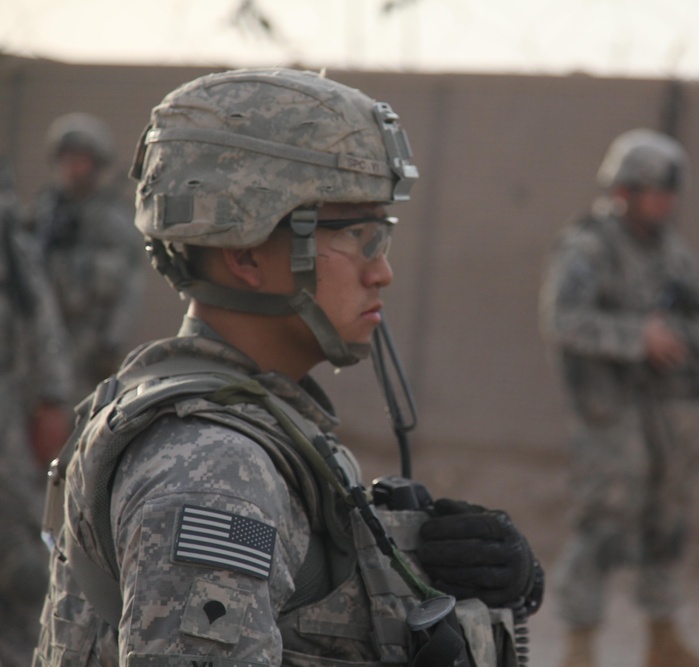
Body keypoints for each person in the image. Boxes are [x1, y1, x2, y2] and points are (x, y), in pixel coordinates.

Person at [33, 68, 542, 667]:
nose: (382, 272)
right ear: (247, 254)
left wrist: (473, 572)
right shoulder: (213, 468)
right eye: (360, 235)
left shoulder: (254, 425)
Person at [539, 129, 699, 667]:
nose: (666, 203)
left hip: (668, 413)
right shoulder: (588, 248)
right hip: (609, 415)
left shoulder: (675, 257)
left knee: (668, 520)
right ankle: (579, 650)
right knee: (604, 525)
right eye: (656, 192)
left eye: (670, 193)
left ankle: (663, 642)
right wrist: (640, 337)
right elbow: (562, 320)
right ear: (624, 191)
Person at [0, 167, 73, 666]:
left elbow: (39, 318)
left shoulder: (10, 244)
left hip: (7, 424)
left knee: (22, 553)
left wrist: (52, 396)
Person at [28, 111, 146, 401]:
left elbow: (130, 282)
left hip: (90, 342)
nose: (73, 168)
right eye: (68, 159)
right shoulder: (45, 212)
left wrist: (112, 341)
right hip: (41, 342)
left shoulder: (111, 219)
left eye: (81, 159)